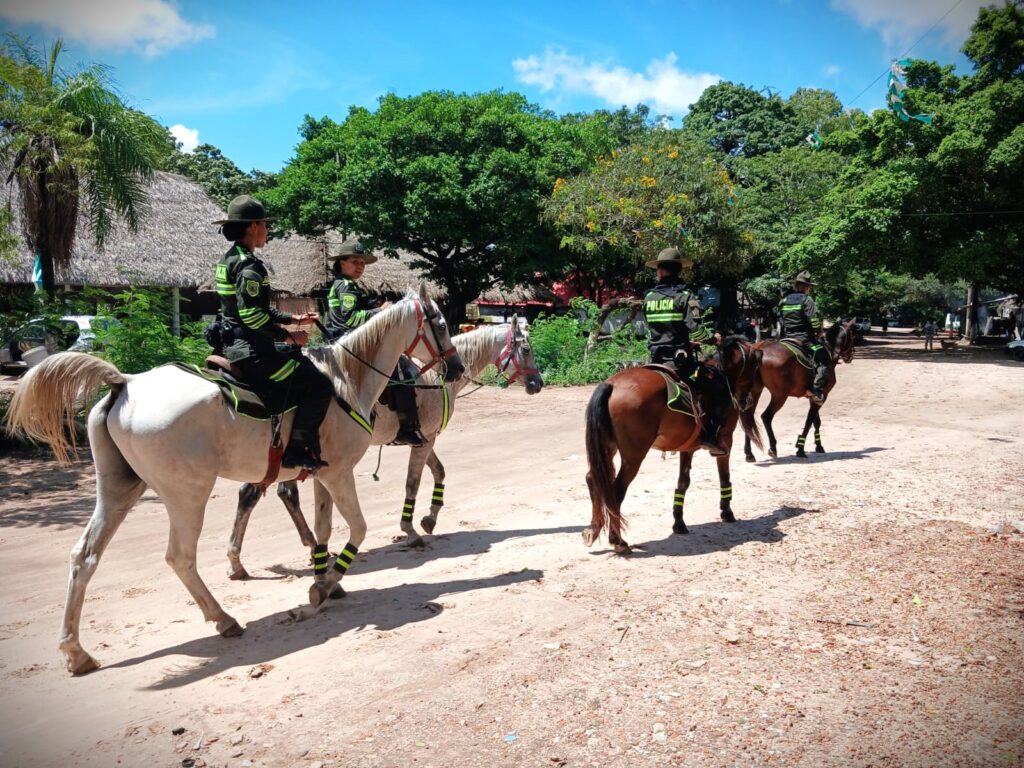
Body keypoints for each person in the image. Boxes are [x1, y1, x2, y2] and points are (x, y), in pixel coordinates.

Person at [213, 195, 333, 470]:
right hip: (252, 351)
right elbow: (252, 315)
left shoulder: (229, 258)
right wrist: (288, 336)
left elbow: (255, 310)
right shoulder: (249, 266)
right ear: (253, 226)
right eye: (265, 224)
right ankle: (297, 450)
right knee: (319, 386)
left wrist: (294, 318)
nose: (268, 229)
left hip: (232, 342)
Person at [325, 240, 426, 447]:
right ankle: (407, 428)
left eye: (362, 263)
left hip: (345, 340)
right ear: (342, 263)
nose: (360, 266)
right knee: (402, 369)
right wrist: (381, 312)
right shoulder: (345, 285)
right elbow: (349, 319)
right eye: (355, 262)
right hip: (350, 343)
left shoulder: (347, 284)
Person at [643, 246, 728, 455]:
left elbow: (657, 331)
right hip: (679, 361)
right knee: (719, 388)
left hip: (654, 357)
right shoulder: (685, 296)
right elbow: (695, 329)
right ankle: (709, 437)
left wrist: (685, 341)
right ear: (678, 270)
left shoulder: (649, 297)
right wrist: (711, 339)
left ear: (660, 271)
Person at [777, 270, 830, 405]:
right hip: (804, 339)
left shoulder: (784, 300)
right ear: (806, 287)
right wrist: (819, 332)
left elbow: (779, 317)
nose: (808, 289)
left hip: (786, 338)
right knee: (824, 357)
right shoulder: (807, 300)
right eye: (809, 287)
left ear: (796, 285)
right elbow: (813, 320)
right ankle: (816, 390)